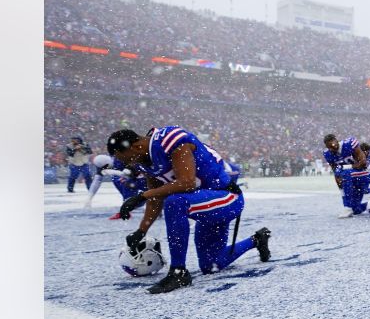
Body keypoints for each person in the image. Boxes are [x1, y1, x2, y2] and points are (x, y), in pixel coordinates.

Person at [108, 126, 271, 294]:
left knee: (174, 202)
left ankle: (178, 272)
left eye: (126, 158)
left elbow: (187, 183)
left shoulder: (169, 139)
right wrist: (141, 231)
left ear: (135, 146)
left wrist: (142, 196)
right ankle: (257, 240)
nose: (128, 164)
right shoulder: (145, 161)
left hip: (227, 198)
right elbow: (156, 198)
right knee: (211, 264)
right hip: (207, 206)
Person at [323, 133, 370, 218]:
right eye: (329, 147)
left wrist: (345, 167)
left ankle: (347, 207)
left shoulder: (349, 144)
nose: (332, 148)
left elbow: (363, 163)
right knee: (356, 209)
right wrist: (341, 189)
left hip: (364, 174)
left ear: (337, 141)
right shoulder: (328, 154)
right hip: (351, 179)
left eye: (333, 145)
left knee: (345, 173)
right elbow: (336, 172)